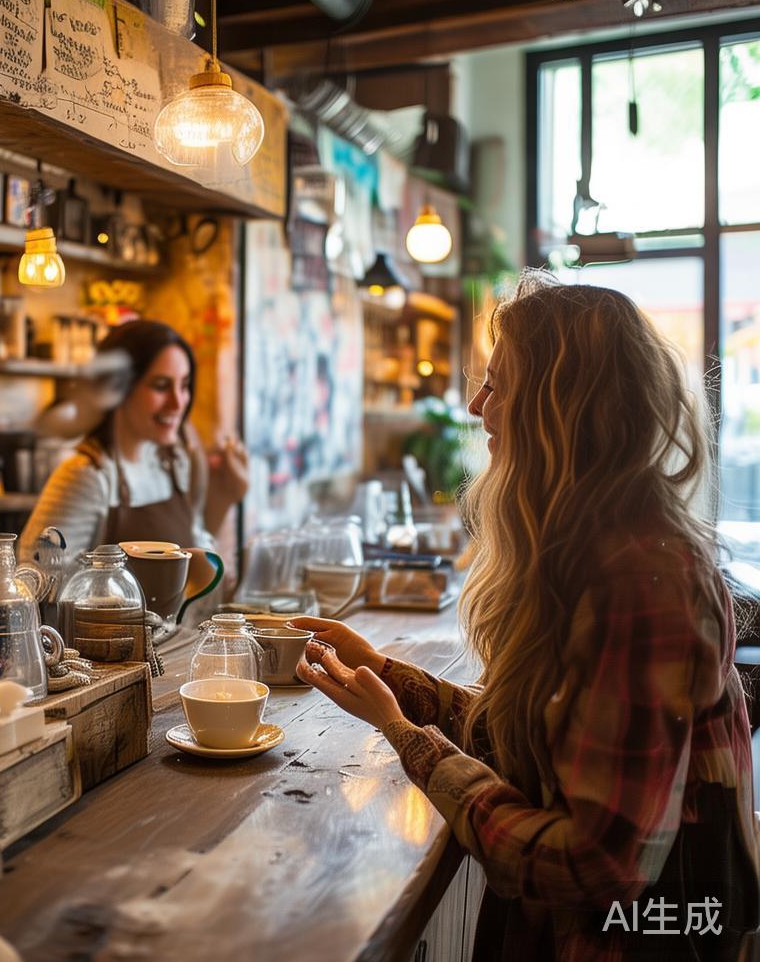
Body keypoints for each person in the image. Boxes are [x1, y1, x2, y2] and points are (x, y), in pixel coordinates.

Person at [292, 274, 760, 961]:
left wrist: (408, 738)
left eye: (498, 385)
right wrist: (387, 676)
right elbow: (542, 745)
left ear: (563, 408)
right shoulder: (599, 550)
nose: (477, 406)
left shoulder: (644, 584)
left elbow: (592, 868)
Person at [20, 319, 248, 565]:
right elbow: (36, 577)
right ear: (118, 390)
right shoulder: (86, 477)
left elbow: (193, 554)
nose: (178, 402)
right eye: (161, 386)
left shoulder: (174, 463)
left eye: (184, 385)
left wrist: (224, 496)